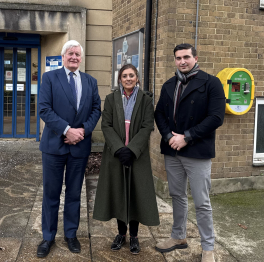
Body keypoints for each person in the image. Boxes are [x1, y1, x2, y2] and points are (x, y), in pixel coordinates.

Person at [154, 44, 225, 262]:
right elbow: (159, 114)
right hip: (172, 150)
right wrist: (169, 138)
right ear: (174, 60)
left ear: (195, 58)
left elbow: (216, 117)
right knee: (177, 196)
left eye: (186, 57)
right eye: (178, 58)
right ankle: (178, 237)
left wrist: (186, 137)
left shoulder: (211, 83)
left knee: (202, 201)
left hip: (197, 151)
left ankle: (208, 248)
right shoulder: (169, 84)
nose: (182, 61)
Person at [37, 40, 101, 258]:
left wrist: (82, 131)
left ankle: (71, 234)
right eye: (70, 53)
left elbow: (96, 109)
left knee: (74, 193)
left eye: (77, 54)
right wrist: (67, 131)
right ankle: (48, 237)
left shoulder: (90, 81)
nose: (74, 57)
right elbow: (44, 109)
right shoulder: (49, 78)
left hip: (79, 147)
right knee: (51, 194)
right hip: (54, 147)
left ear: (81, 58)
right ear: (63, 56)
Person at [93, 64, 159, 255]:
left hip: (137, 156)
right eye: (124, 76)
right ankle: (121, 234)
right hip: (116, 156)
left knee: (135, 194)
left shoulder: (145, 100)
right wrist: (119, 149)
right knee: (119, 193)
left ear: (137, 78)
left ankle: (135, 237)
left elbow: (147, 126)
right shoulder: (112, 98)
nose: (128, 79)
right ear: (120, 79)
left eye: (131, 75)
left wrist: (131, 149)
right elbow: (106, 125)